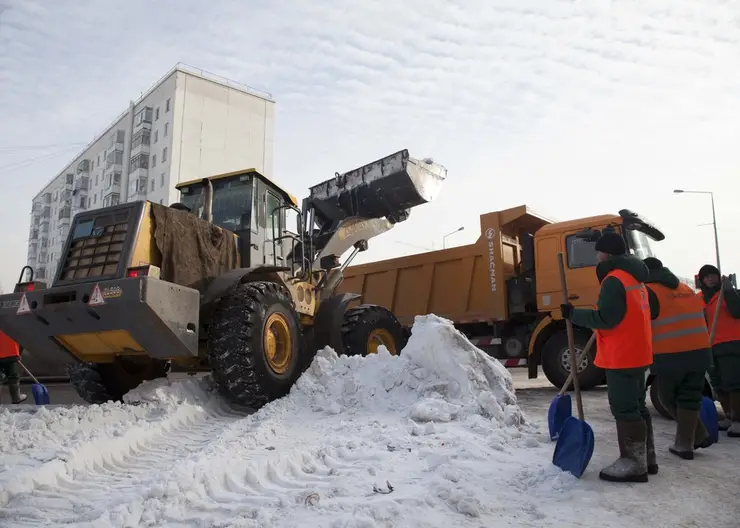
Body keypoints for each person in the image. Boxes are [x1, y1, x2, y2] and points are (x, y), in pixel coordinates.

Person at [560, 231, 656, 483]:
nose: (597, 258)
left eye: (599, 253)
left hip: (622, 354)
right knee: (637, 406)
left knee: (625, 407)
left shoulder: (614, 280)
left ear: (608, 254)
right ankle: (647, 458)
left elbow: (607, 319)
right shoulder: (637, 278)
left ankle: (633, 463)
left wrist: (573, 314)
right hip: (638, 352)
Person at [643, 257, 712, 459]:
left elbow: (642, 321)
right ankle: (685, 444)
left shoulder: (648, 291)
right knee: (689, 397)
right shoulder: (685, 288)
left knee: (666, 397)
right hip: (700, 351)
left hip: (671, 353)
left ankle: (696, 435)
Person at [697, 264, 740, 438]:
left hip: (732, 344)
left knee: (734, 383)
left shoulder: (729, 294)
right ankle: (729, 415)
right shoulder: (700, 299)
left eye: (712, 275)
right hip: (710, 345)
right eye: (706, 277)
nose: (710, 279)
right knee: (719, 382)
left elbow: (737, 311)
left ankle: (738, 420)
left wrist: (729, 291)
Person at [0, 330, 28, 404]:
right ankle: (16, 397)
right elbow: (22, 338)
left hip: (8, 352)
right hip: (11, 352)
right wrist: (19, 354)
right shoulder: (12, 322)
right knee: (13, 376)